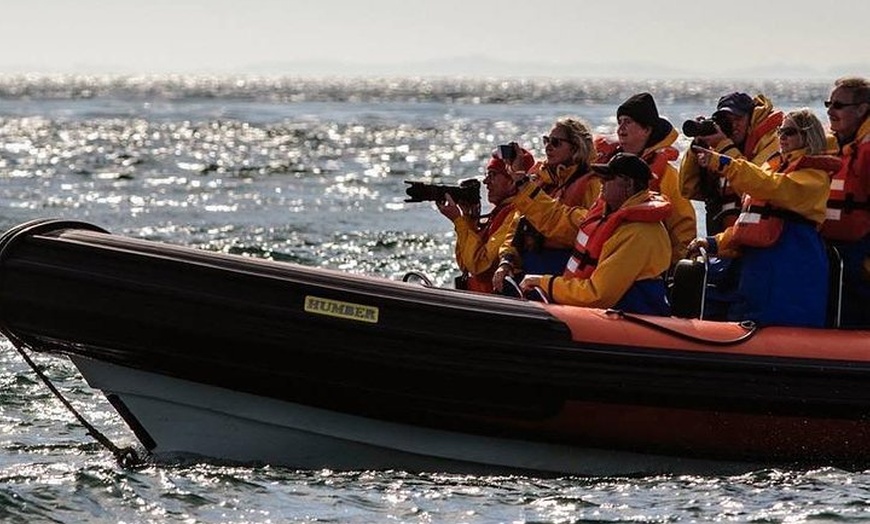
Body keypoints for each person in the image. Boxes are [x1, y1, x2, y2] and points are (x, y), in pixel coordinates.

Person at [688, 109, 840, 328]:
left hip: (790, 274)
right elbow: (750, 226)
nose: (782, 137)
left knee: (782, 327)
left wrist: (724, 163)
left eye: (789, 132)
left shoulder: (812, 178)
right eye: (780, 131)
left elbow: (773, 187)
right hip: (757, 273)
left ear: (808, 136)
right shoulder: (777, 170)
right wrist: (715, 242)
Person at [518, 153, 672, 315]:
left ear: (629, 184)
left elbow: (598, 295)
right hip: (614, 314)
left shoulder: (638, 233)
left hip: (637, 317)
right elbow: (558, 219)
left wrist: (544, 283)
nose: (602, 182)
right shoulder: (611, 217)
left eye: (609, 178)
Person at [492, 117, 601, 293]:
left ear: (575, 147)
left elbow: (577, 230)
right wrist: (507, 260)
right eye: (546, 141)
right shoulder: (540, 180)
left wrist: (523, 184)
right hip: (531, 267)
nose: (548, 146)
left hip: (562, 270)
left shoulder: (592, 184)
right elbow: (518, 227)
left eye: (556, 142)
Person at [594, 92, 697, 267]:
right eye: (619, 122)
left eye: (628, 122)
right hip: (611, 259)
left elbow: (683, 227)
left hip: (648, 264)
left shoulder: (667, 174)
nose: (621, 128)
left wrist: (675, 269)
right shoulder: (608, 166)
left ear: (647, 130)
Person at [680, 92, 784, 235]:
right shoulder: (719, 149)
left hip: (754, 241)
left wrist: (725, 146)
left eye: (738, 119)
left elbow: (756, 188)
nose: (733, 125)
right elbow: (688, 189)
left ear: (751, 119)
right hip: (722, 240)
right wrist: (696, 149)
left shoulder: (769, 143)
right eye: (727, 120)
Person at [436, 146, 535, 293]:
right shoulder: (500, 213)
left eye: (493, 175)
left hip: (498, 303)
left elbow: (480, 266)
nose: (486, 181)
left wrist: (459, 221)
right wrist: (468, 220)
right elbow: (465, 264)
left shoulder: (515, 214)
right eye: (487, 174)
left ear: (512, 181)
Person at [821, 76, 870, 328]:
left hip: (859, 259)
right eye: (829, 103)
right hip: (834, 255)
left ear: (862, 109)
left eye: (838, 105)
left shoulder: (866, 151)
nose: (830, 110)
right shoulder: (838, 147)